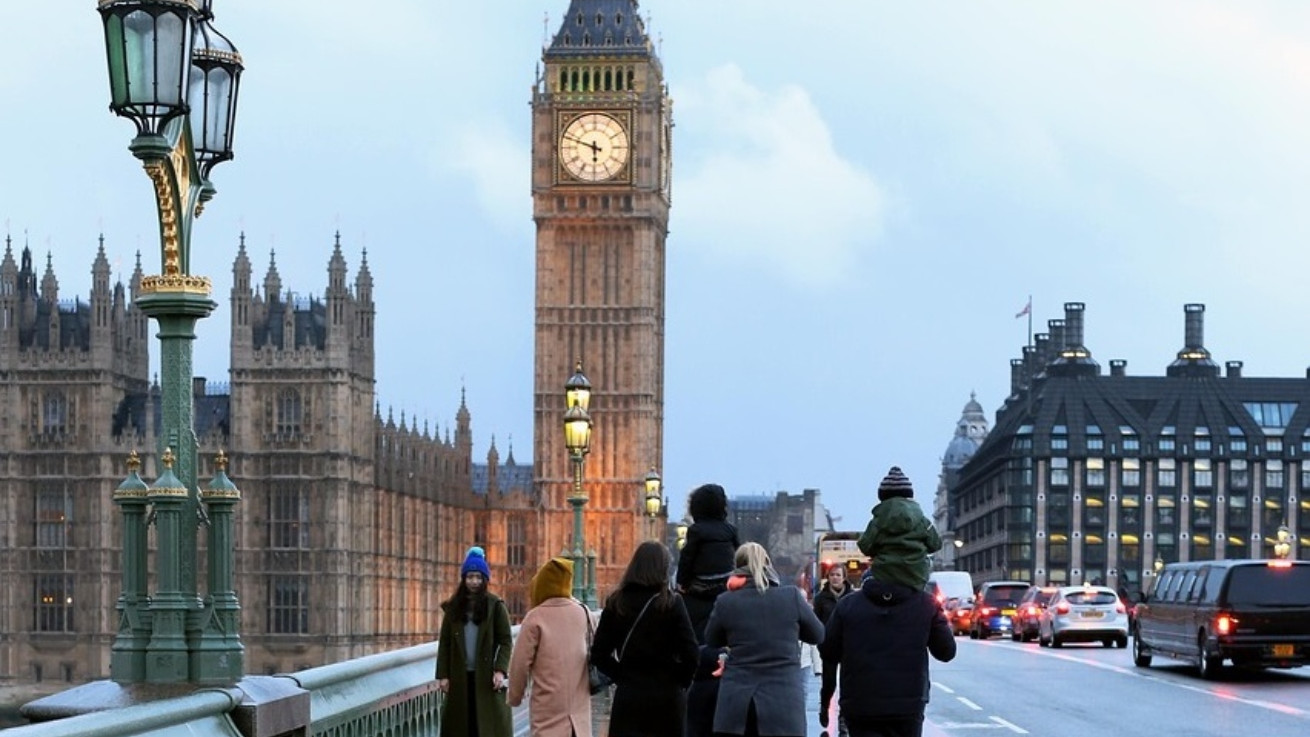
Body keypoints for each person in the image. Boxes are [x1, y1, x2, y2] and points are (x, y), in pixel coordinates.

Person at [818, 565, 957, 737]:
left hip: (860, 701)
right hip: (907, 703)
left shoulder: (848, 605)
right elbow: (946, 651)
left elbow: (828, 650)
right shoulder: (925, 603)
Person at [704, 542, 825, 737]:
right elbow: (818, 634)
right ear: (767, 564)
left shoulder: (726, 601)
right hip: (783, 703)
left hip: (738, 705)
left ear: (738, 566)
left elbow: (711, 639)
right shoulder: (791, 597)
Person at [592, 541, 699, 737]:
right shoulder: (672, 603)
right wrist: (677, 681)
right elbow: (691, 653)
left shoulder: (617, 602)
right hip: (667, 700)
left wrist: (622, 675)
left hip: (629, 698)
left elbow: (598, 654)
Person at [507, 557, 592, 737]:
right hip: (579, 716)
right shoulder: (584, 612)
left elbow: (519, 664)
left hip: (547, 712)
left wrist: (515, 696)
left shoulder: (535, 617)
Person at [435, 547, 513, 737]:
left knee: (484, 727)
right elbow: (445, 642)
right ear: (464, 579)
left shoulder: (495, 606)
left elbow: (505, 640)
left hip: (486, 678)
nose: (474, 581)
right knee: (462, 727)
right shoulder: (453, 608)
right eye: (470, 577)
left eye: (478, 577)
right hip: (459, 677)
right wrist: (443, 675)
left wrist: (500, 669)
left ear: (485, 579)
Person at [856, 467, 941, 591]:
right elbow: (936, 544)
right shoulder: (922, 520)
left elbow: (865, 546)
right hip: (916, 577)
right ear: (909, 494)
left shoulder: (877, 521)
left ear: (882, 496)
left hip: (884, 576)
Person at [676, 483, 742, 640]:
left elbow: (687, 558)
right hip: (726, 581)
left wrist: (682, 582)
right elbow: (739, 554)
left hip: (701, 583)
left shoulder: (696, 530)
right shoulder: (730, 530)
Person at [810, 564, 853, 676]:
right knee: (828, 684)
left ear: (844, 578)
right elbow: (816, 621)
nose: (835, 577)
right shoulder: (820, 598)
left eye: (838, 575)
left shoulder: (852, 597)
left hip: (848, 645)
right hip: (828, 646)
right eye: (832, 575)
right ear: (828, 577)